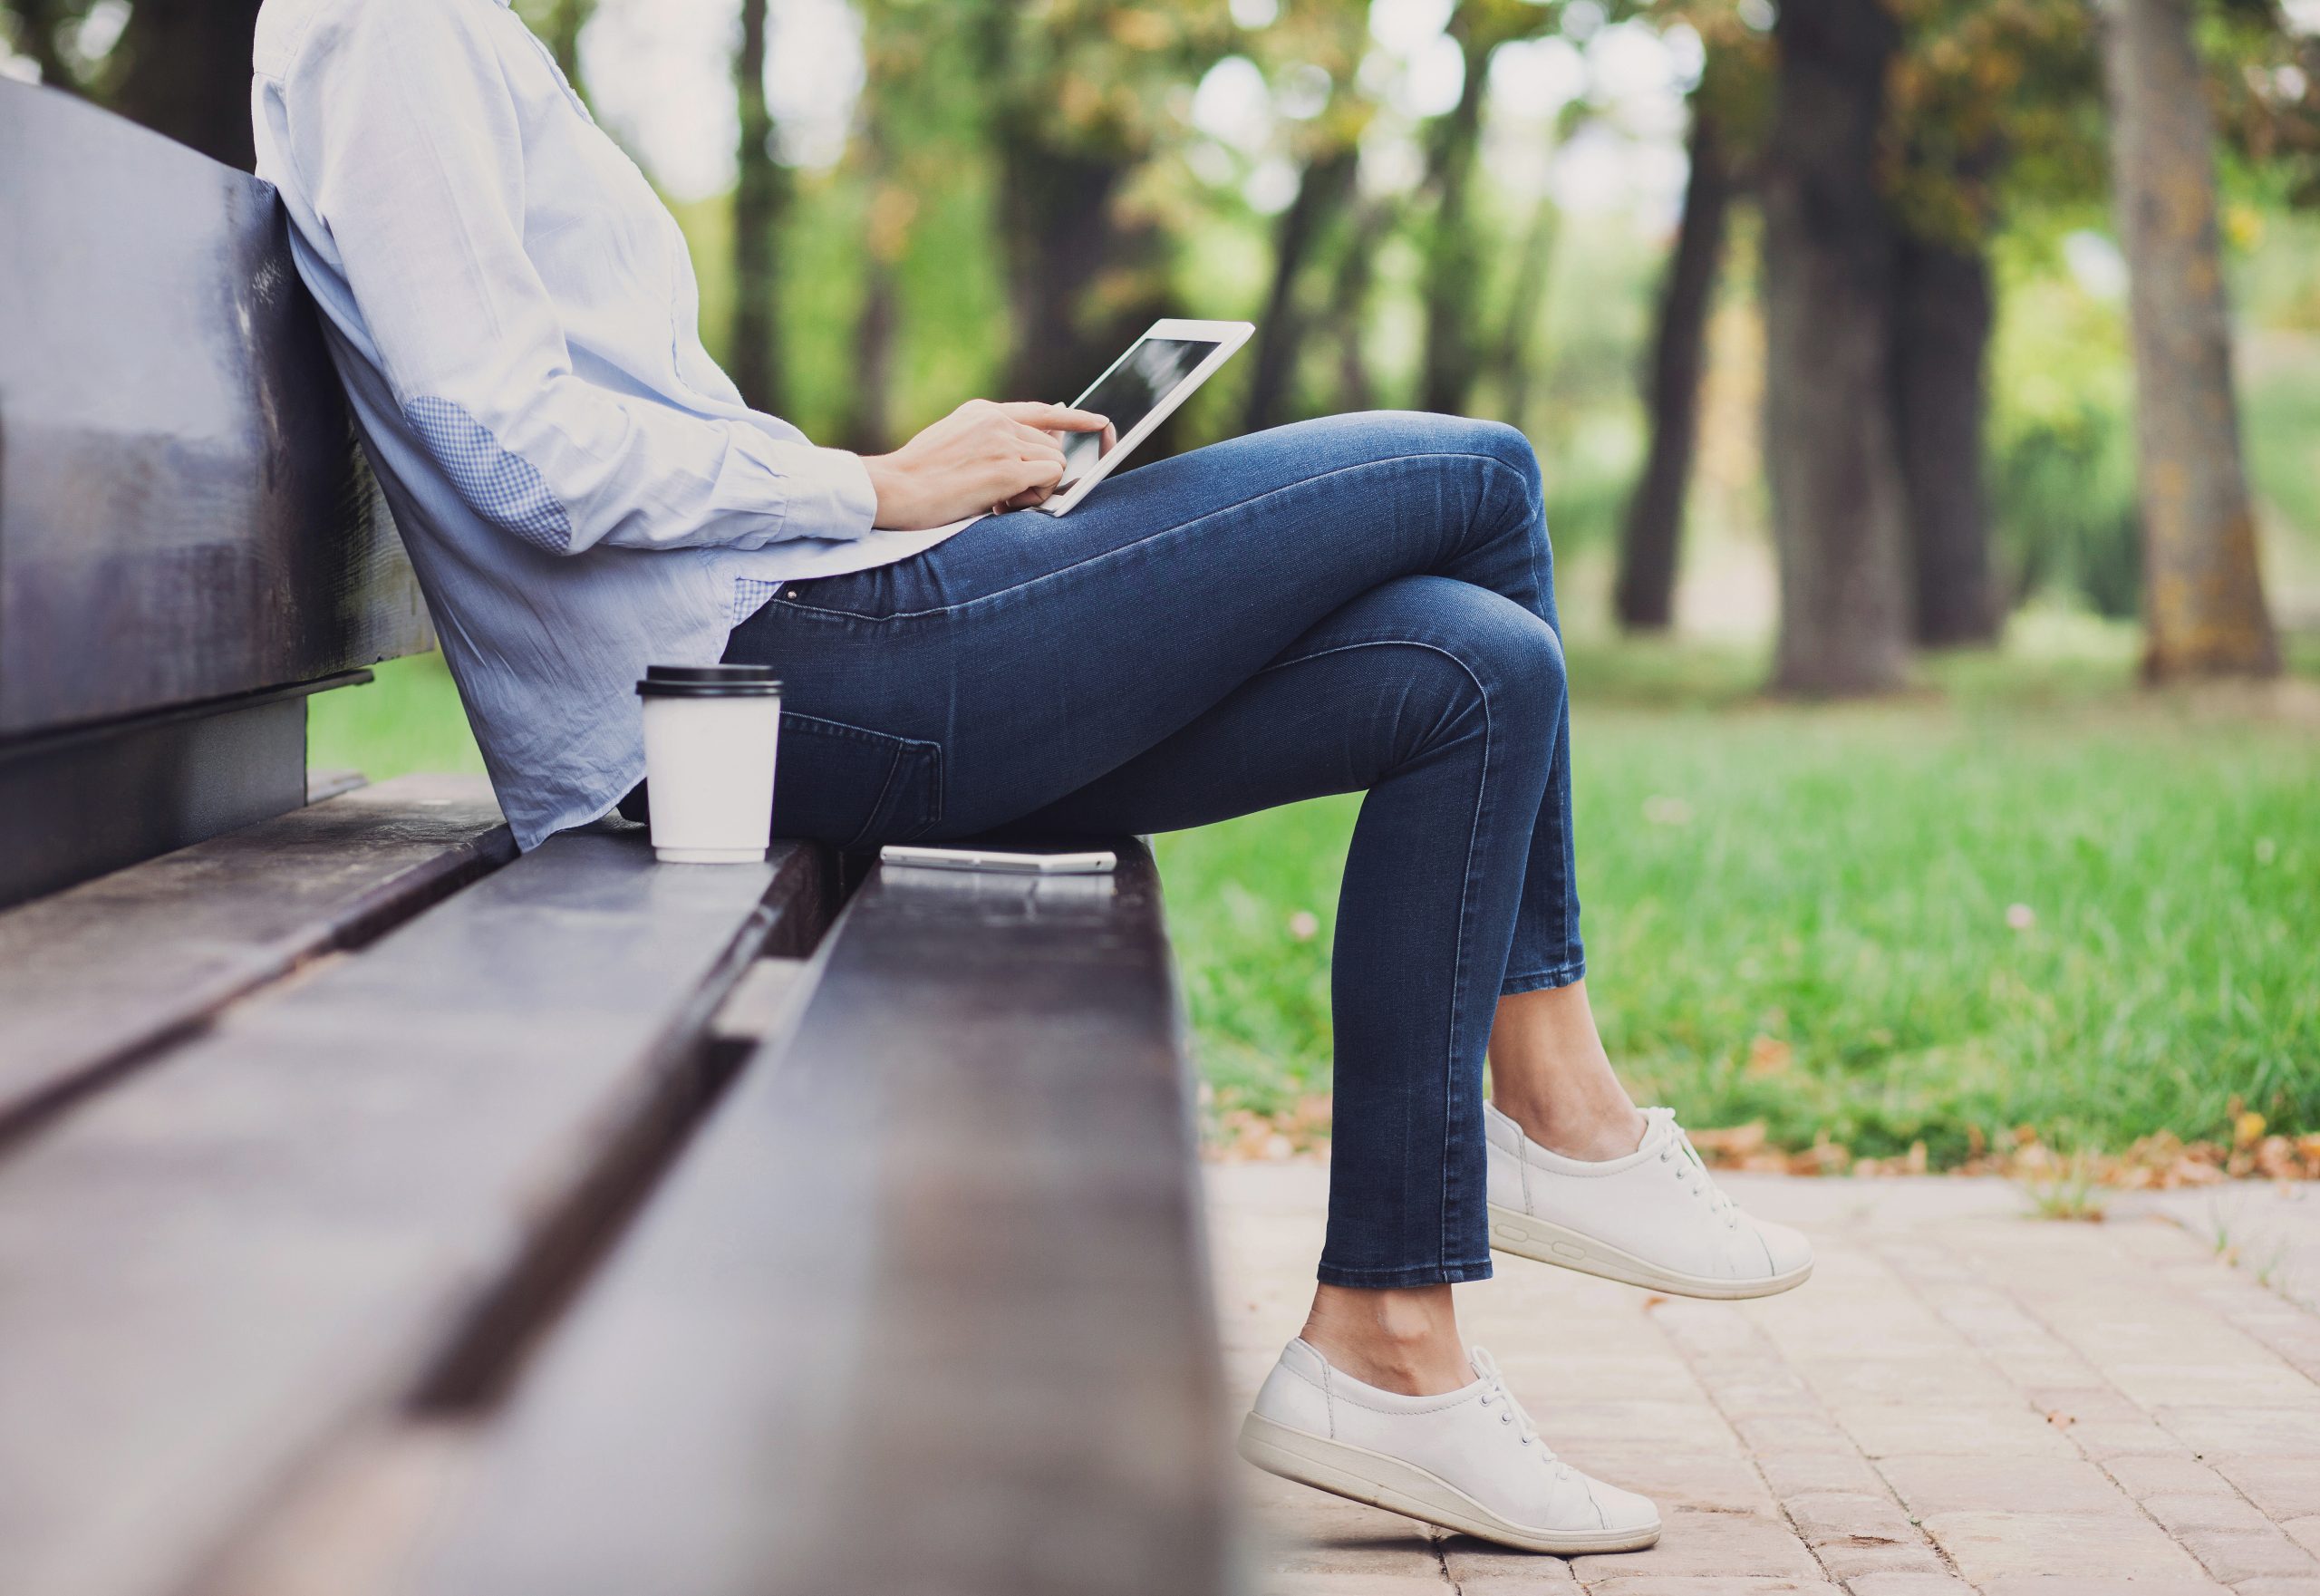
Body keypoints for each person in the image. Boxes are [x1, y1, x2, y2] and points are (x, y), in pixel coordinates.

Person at [252, 0, 1812, 1555]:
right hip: (758, 685)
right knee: (1482, 477)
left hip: (788, 648)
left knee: (1478, 669)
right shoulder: (386, 24)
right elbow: (513, 443)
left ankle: (1389, 1340)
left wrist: (869, 503)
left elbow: (572, 421)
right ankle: (1555, 1107)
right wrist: (871, 483)